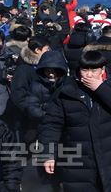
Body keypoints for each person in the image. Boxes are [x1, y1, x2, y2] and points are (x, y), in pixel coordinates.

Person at [39, 50, 111, 192]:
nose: (89, 74)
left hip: (110, 158)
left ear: (102, 70)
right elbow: (51, 125)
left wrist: (101, 89)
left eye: (94, 70)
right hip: (78, 163)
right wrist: (48, 154)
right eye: (85, 69)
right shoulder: (66, 91)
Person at [21, 50, 67, 191]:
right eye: (48, 70)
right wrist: (49, 115)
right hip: (43, 129)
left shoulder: (67, 85)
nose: (51, 74)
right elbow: (31, 107)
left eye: (55, 71)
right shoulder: (36, 85)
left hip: (64, 131)